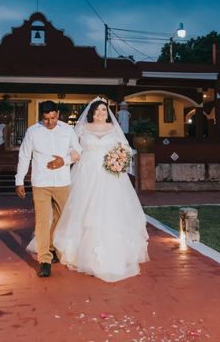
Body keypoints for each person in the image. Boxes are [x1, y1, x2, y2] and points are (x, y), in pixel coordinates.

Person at [53, 97, 149, 282]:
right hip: (86, 173)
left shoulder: (114, 129)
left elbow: (126, 149)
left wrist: (119, 159)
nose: (100, 113)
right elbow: (71, 147)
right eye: (97, 110)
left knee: (110, 210)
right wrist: (72, 152)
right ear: (91, 112)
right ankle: (79, 252)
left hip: (110, 174)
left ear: (108, 112)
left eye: (103, 110)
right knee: (83, 209)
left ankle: (114, 252)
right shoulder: (82, 128)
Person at [15, 100, 82, 278]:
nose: (50, 122)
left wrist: (64, 161)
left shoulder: (67, 130)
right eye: (46, 119)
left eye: (53, 118)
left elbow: (78, 152)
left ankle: (55, 249)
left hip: (62, 182)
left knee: (62, 220)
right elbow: (24, 156)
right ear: (41, 117)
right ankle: (44, 260)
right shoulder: (32, 131)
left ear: (58, 114)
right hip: (40, 183)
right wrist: (19, 181)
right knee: (42, 221)